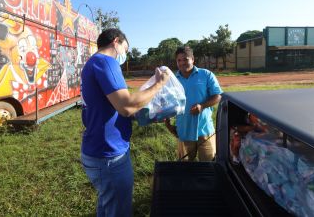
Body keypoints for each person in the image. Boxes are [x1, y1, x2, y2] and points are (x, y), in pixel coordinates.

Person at [80, 28, 169, 217]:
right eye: (125, 49)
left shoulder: (92, 63)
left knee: (107, 205)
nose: (125, 55)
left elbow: (113, 106)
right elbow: (126, 106)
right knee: (118, 209)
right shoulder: (106, 62)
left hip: (97, 150)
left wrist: (144, 115)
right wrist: (159, 84)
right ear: (116, 41)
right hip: (109, 156)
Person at [165, 46, 222, 161]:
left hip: (205, 130)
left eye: (185, 59)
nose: (182, 63)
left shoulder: (206, 75)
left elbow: (218, 95)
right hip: (183, 130)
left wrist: (202, 106)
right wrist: (168, 123)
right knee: (185, 168)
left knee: (208, 166)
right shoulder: (172, 79)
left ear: (192, 59)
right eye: (179, 60)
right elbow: (168, 102)